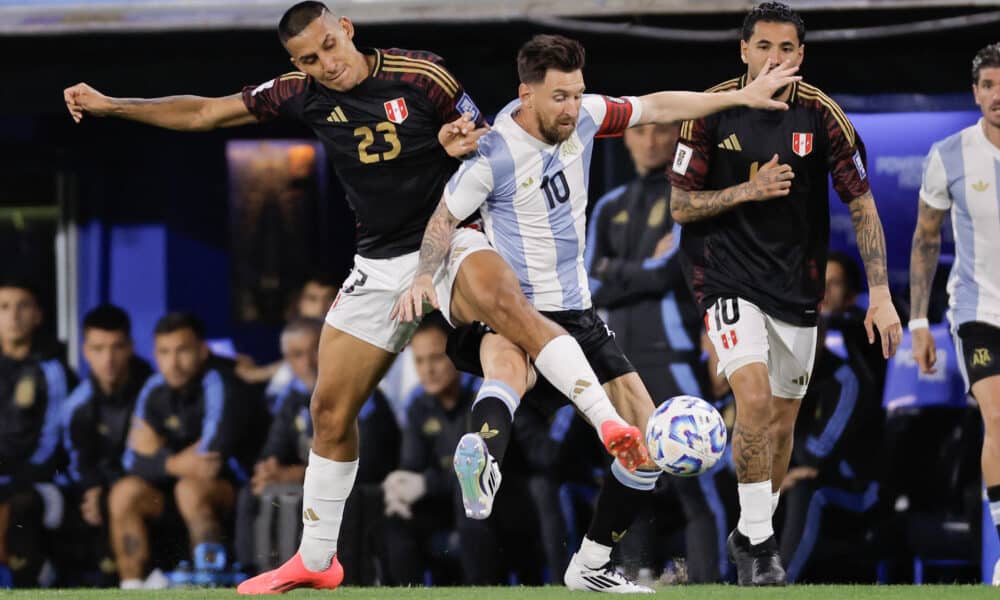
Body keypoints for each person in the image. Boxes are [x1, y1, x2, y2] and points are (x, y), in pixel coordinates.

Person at [65, 4, 645, 593]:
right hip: (377, 263)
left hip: (448, 240)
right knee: (328, 410)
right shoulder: (299, 91)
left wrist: (457, 143)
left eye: (328, 47)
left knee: (513, 314)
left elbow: (490, 144)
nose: (325, 65)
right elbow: (206, 112)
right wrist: (115, 105)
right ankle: (317, 561)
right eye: (307, 59)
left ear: (347, 28)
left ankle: (606, 426)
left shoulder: (424, 76)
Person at [396, 33, 800, 592]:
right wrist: (422, 274)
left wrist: (741, 97)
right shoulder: (494, 152)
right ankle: (483, 459)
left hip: (578, 313)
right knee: (509, 365)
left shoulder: (585, 116)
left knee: (648, 443)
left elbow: (657, 106)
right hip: (517, 309)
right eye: (558, 96)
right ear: (526, 93)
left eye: (576, 93)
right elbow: (443, 219)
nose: (570, 106)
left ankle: (588, 563)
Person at [668, 1, 903, 585]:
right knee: (749, 397)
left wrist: (880, 293)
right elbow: (679, 206)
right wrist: (746, 191)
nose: (776, 59)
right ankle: (762, 552)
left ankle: (750, 534)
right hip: (723, 277)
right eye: (764, 47)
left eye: (787, 49)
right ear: (744, 51)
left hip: (796, 286)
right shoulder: (709, 111)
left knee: (779, 422)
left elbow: (862, 202)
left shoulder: (823, 115)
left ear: (802, 55)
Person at [587, 122, 727, 583]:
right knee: (630, 477)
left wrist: (617, 271)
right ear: (625, 139)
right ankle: (634, 580)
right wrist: (635, 272)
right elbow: (588, 283)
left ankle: (715, 586)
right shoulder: (609, 207)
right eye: (640, 132)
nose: (649, 141)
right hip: (617, 362)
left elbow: (670, 274)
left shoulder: (684, 200)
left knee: (696, 479)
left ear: (674, 139)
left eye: (660, 132)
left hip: (672, 358)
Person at [908, 41, 1000, 585]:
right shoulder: (949, 154)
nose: (997, 95)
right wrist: (919, 322)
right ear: (975, 92)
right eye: (988, 85)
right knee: (999, 417)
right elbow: (925, 239)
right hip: (977, 310)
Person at [110, 313, 262, 589]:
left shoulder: (220, 382)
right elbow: (131, 460)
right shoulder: (154, 388)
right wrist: (172, 464)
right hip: (169, 493)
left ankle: (209, 581)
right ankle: (131, 587)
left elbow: (209, 461)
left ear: (202, 350)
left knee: (190, 489)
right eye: (164, 352)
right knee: (124, 492)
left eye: (183, 350)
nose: (173, 362)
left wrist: (157, 454)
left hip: (228, 495)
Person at [60, 305, 153, 584]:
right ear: (85, 351)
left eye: (116, 347)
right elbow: (77, 462)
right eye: (98, 349)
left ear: (130, 348)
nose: (108, 359)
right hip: (102, 492)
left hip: (151, 488)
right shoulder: (77, 405)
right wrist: (93, 489)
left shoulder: (153, 390)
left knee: (121, 495)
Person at [0, 277, 76, 587]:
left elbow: (51, 440)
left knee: (17, 502)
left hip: (44, 482)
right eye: (4, 307)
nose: (13, 316)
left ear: (38, 315)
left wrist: (11, 480)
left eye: (23, 306)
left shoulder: (53, 370)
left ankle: (38, 576)